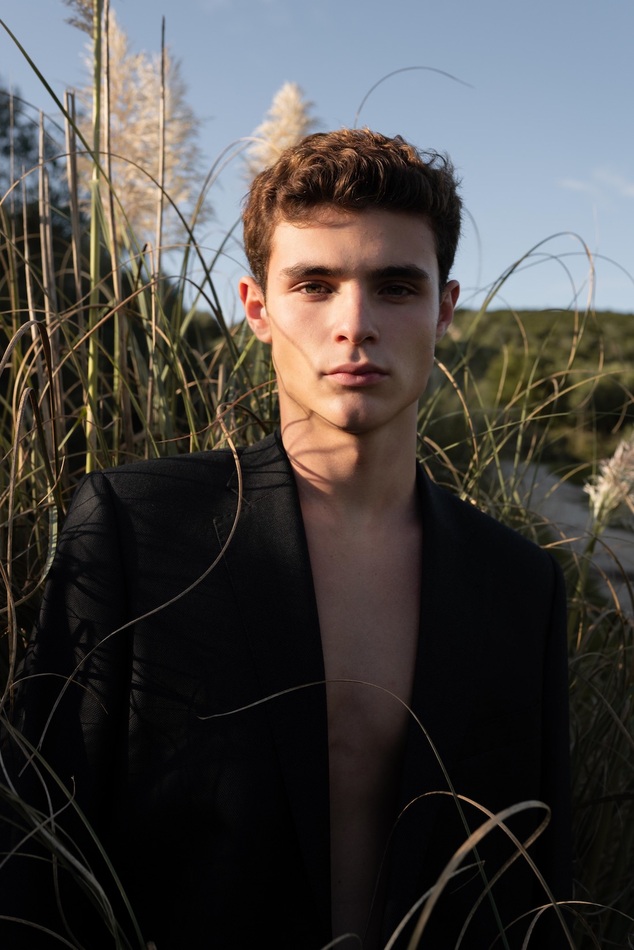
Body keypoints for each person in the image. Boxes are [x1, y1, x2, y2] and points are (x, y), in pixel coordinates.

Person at [0, 129, 571, 949]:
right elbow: (39, 854)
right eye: (315, 285)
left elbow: (538, 892)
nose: (355, 324)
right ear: (257, 308)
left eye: (396, 287)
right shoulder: (136, 528)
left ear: (444, 310)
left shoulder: (519, 584)